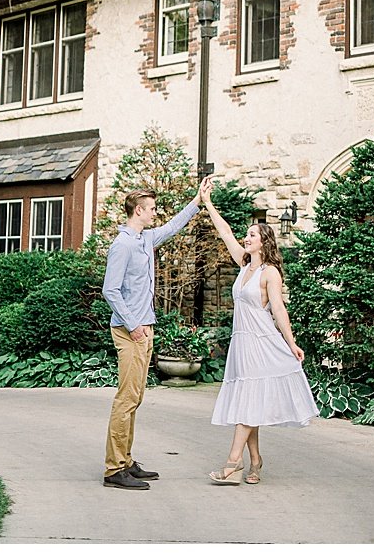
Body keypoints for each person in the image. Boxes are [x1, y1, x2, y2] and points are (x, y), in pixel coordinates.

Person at [200, 181, 318, 485]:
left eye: (252, 235)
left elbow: (278, 310)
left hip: (262, 343)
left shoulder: (270, 273)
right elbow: (225, 232)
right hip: (242, 343)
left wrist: (291, 343)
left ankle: (232, 463)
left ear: (264, 242)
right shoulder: (243, 265)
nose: (246, 237)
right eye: (247, 234)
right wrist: (208, 203)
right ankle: (255, 461)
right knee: (250, 401)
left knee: (249, 402)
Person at [101, 177, 211, 490]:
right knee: (126, 399)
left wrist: (197, 202)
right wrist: (134, 326)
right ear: (137, 211)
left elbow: (173, 226)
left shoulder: (145, 239)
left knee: (135, 398)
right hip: (130, 331)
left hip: (144, 329)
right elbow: (111, 290)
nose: (155, 214)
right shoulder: (122, 245)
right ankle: (113, 469)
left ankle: (126, 460)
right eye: (150, 209)